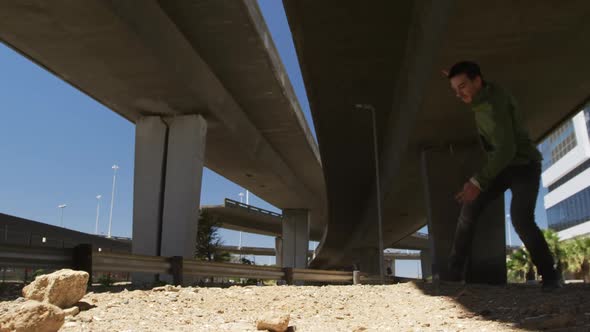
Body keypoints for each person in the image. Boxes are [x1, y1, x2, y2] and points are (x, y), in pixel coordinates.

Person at [445, 61, 561, 290]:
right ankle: (454, 272)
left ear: (477, 80)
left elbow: (506, 150)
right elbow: (502, 153)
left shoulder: (493, 107)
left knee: (521, 218)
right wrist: (456, 77)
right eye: (455, 89)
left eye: (463, 86)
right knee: (470, 207)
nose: (459, 94)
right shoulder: (484, 94)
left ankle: (550, 276)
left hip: (524, 166)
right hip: (503, 166)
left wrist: (477, 181)